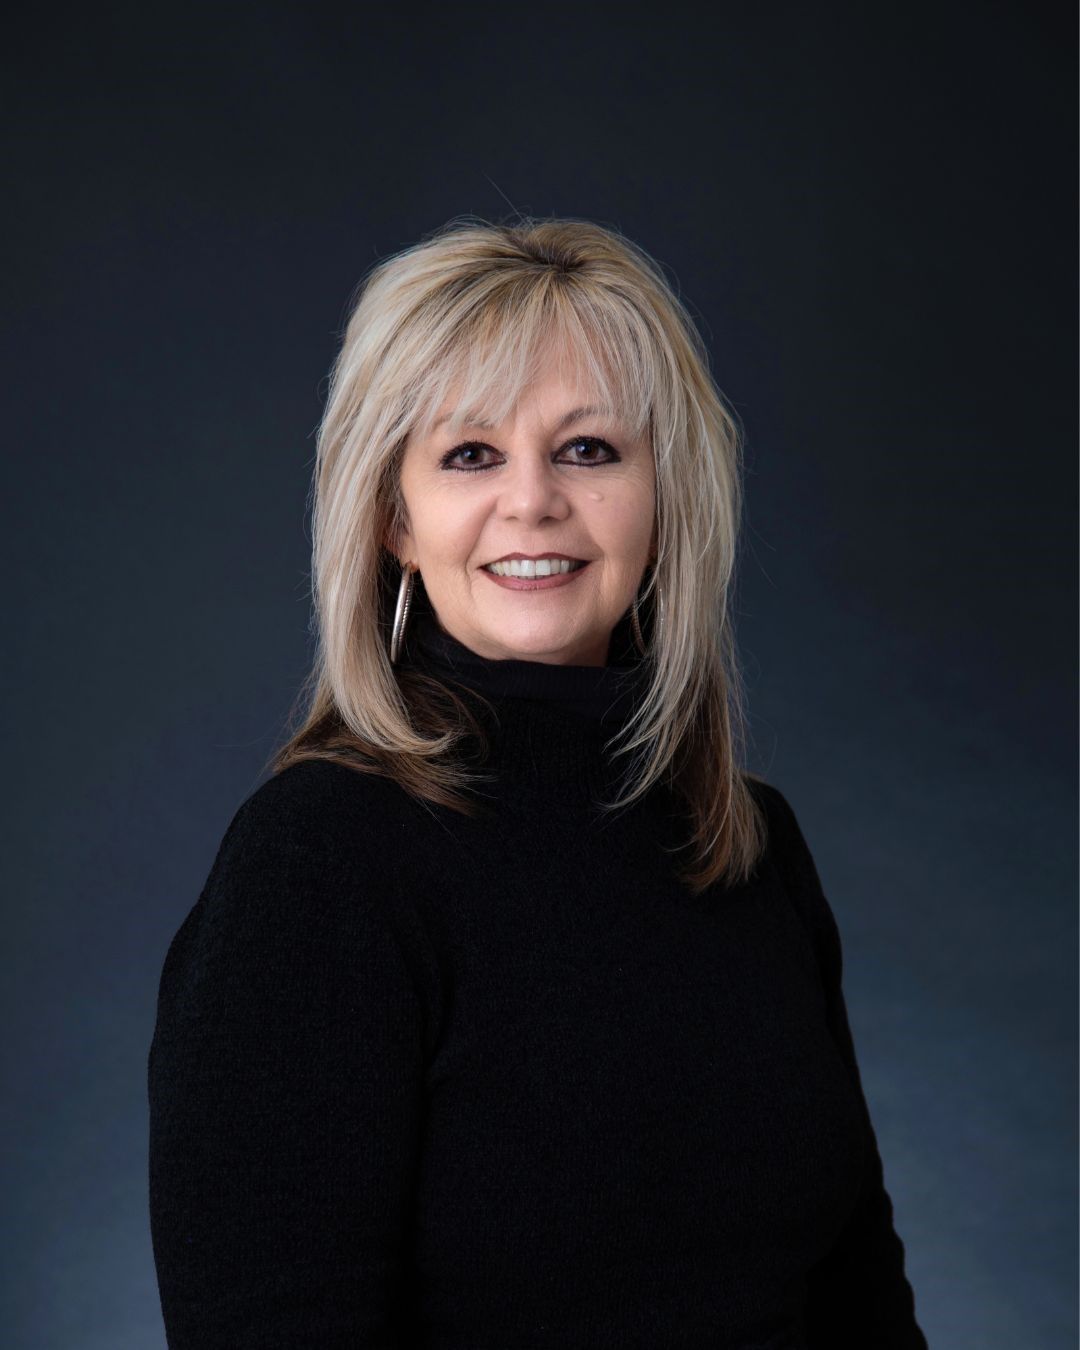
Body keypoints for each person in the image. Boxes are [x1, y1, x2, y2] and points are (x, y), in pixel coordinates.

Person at [147, 215, 929, 1349]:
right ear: (392, 520)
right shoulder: (320, 863)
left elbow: (863, 1306)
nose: (534, 502)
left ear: (666, 498)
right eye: (470, 455)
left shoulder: (750, 843)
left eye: (589, 449)